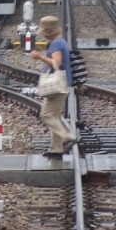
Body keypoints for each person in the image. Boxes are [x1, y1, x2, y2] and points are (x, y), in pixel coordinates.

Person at [30, 15, 77, 159]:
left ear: (48, 32)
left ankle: (65, 136)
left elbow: (57, 62)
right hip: (61, 85)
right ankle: (56, 150)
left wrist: (40, 57)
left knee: (46, 115)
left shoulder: (56, 44)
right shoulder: (61, 41)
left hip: (56, 85)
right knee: (54, 116)